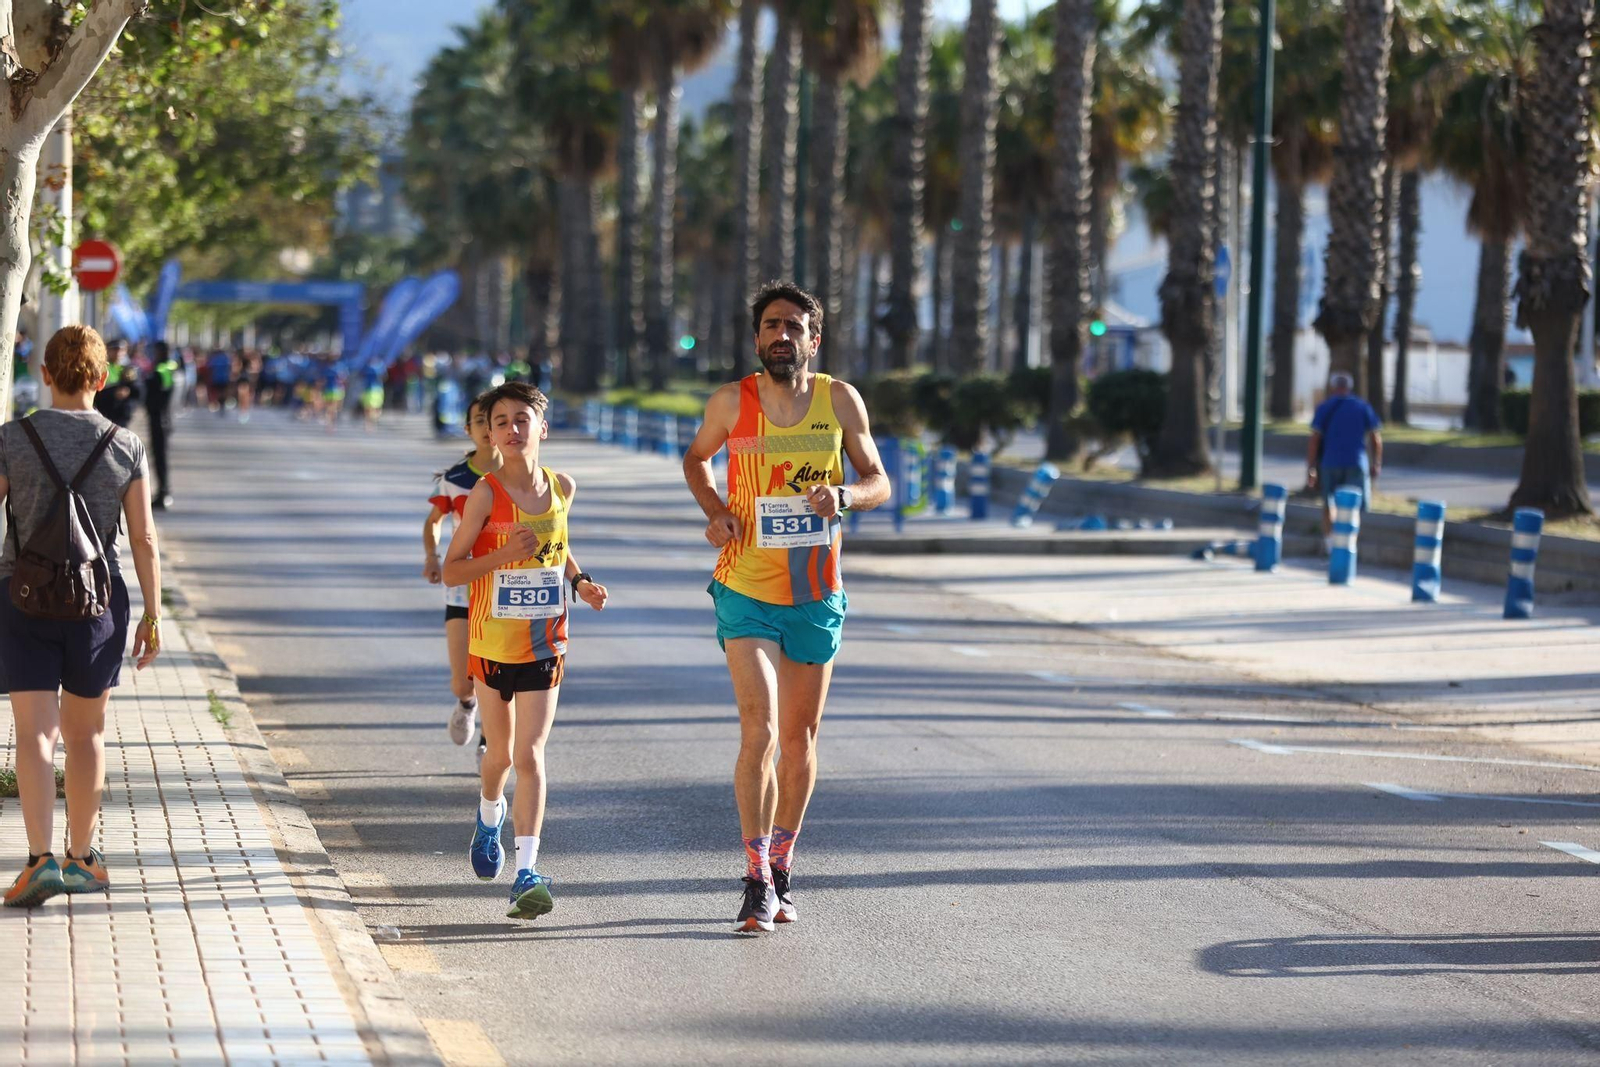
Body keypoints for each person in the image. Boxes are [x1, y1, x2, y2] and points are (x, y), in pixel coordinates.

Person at [682, 281, 890, 934]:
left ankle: (783, 861)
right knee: (761, 729)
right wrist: (716, 512)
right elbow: (696, 460)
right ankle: (754, 878)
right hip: (744, 587)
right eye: (771, 325)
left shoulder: (839, 399)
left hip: (815, 593)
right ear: (756, 338)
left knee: (799, 740)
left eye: (794, 326)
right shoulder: (731, 402)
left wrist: (847, 498)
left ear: (813, 339)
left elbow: (879, 479)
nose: (782, 336)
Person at [1, 325, 162, 908]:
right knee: (87, 733)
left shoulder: (12, 438)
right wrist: (153, 614)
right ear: (101, 378)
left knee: (34, 733)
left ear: (45, 374)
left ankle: (39, 860)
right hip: (98, 603)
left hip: (22, 598)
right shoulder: (125, 444)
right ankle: (83, 858)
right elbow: (142, 537)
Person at [441, 381, 608, 920]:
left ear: (542, 427)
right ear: (489, 433)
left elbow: (560, 548)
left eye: (522, 419)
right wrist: (502, 556)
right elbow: (452, 569)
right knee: (500, 756)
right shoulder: (485, 494)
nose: (512, 429)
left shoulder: (563, 486)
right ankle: (489, 816)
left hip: (546, 640)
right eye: (501, 421)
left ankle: (527, 872)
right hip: (491, 641)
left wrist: (581, 582)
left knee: (531, 754)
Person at [424, 394, 501, 751]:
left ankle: (490, 743)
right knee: (463, 681)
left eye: (493, 420)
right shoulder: (454, 479)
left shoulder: (518, 475)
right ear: (468, 429)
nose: (488, 428)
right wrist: (432, 556)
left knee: (499, 676)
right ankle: (466, 705)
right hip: (462, 591)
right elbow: (433, 522)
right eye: (479, 421)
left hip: (504, 589)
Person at [1307, 371, 1384, 540]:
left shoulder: (1324, 407)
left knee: (1329, 504)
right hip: (1357, 463)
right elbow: (1376, 438)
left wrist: (1311, 467)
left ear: (1333, 387)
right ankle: (1349, 542)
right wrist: (1376, 463)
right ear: (1350, 388)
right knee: (1353, 505)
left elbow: (1314, 440)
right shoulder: (1362, 406)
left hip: (1330, 463)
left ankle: (1330, 543)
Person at [143, 342, 179, 510]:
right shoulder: (167, 367)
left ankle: (164, 492)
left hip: (160, 418)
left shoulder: (164, 369)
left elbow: (162, 394)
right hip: (161, 417)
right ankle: (162, 491)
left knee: (160, 457)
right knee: (158, 456)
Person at [93, 340, 141, 428]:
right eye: (115, 350)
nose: (118, 353)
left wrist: (129, 406)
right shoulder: (102, 368)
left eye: (121, 350)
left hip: (122, 415)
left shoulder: (129, 369)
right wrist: (113, 393)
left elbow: (138, 392)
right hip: (104, 412)